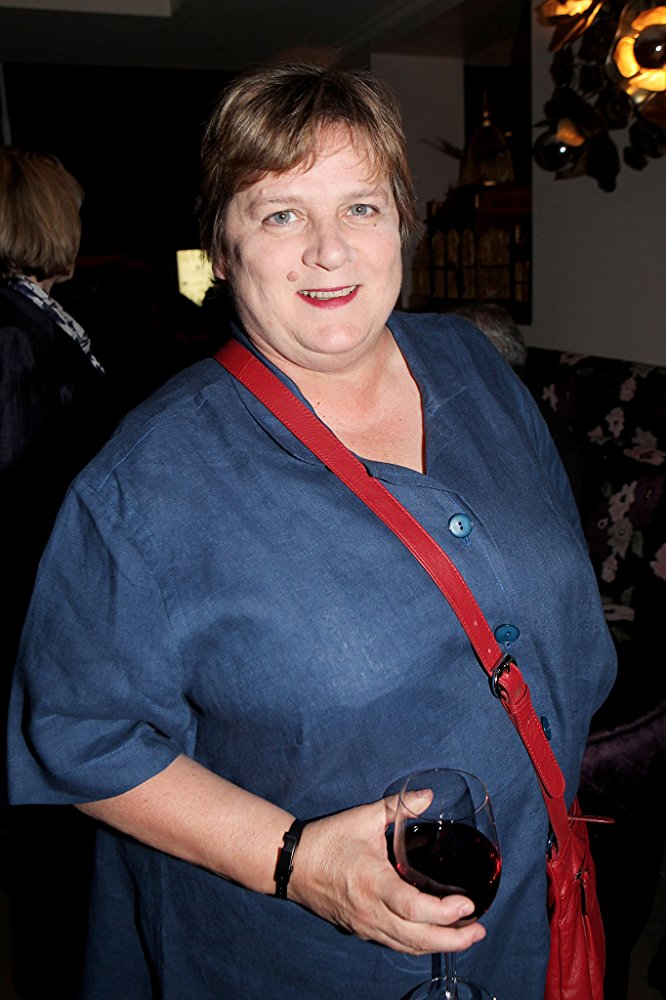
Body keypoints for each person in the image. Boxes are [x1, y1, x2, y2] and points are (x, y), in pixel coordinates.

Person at [6, 64, 617, 1000]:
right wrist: (296, 861)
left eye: (361, 208)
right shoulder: (143, 486)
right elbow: (75, 737)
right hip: (304, 959)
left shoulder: (473, 364)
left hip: (533, 914)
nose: (330, 251)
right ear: (222, 248)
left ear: (402, 221)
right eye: (281, 214)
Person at [0, 148, 121, 997]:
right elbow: (15, 502)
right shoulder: (10, 333)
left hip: (50, 609)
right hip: (31, 622)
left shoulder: (34, 317)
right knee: (50, 853)